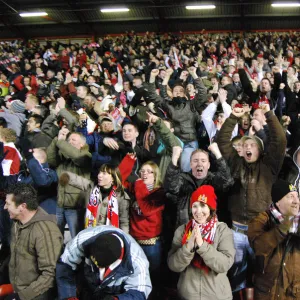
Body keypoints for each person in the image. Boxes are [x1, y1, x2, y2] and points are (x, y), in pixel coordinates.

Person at [216, 103, 286, 295]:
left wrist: (269, 114)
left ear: (260, 150)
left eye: (252, 145)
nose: (247, 147)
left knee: (261, 273)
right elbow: (222, 141)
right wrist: (233, 117)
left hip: (262, 230)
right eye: (245, 145)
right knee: (236, 274)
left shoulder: (269, 166)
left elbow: (279, 140)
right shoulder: (235, 163)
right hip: (237, 230)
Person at [167, 185, 235, 300]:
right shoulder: (182, 230)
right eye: (195, 206)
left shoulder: (222, 230)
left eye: (203, 205)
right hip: (187, 296)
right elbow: (173, 265)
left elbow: (224, 265)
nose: (198, 211)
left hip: (217, 296)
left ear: (211, 208)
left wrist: (202, 245)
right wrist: (188, 247)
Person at [56, 225, 152, 300]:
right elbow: (65, 266)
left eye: (102, 267)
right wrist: (69, 295)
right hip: (86, 287)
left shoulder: (136, 261)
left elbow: (140, 292)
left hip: (115, 293)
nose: (99, 270)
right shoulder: (82, 240)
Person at [2, 183, 63, 300]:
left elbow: (50, 275)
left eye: (8, 204)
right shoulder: (17, 224)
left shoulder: (44, 230)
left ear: (22, 206)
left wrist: (21, 296)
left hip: (35, 296)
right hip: (17, 290)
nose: (5, 207)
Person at [248, 179, 300, 300]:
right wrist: (281, 230)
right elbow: (258, 247)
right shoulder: (261, 220)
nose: (296, 201)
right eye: (290, 196)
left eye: (297, 196)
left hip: (294, 294)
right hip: (267, 293)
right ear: (278, 201)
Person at [164, 142, 233, 228]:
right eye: (195, 161)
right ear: (191, 164)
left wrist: (217, 153)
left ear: (208, 165)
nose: (199, 164)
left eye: (203, 161)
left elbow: (227, 181)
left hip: (210, 232)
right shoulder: (183, 179)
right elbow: (171, 186)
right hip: (186, 230)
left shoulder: (213, 180)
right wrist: (175, 158)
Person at [47, 127, 92, 238]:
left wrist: (61, 142)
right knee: (56, 237)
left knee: (76, 238)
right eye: (69, 140)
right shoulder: (63, 158)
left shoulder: (86, 156)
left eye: (73, 140)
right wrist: (56, 140)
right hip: (60, 204)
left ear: (82, 144)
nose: (70, 142)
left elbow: (76, 155)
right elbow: (51, 159)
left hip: (75, 207)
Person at [59, 163, 130, 233]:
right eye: (100, 172)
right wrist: (67, 176)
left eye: (104, 173)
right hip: (90, 232)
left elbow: (124, 223)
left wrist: (123, 238)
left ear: (113, 178)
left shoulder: (121, 197)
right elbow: (79, 180)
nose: (99, 175)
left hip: (109, 236)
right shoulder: (91, 187)